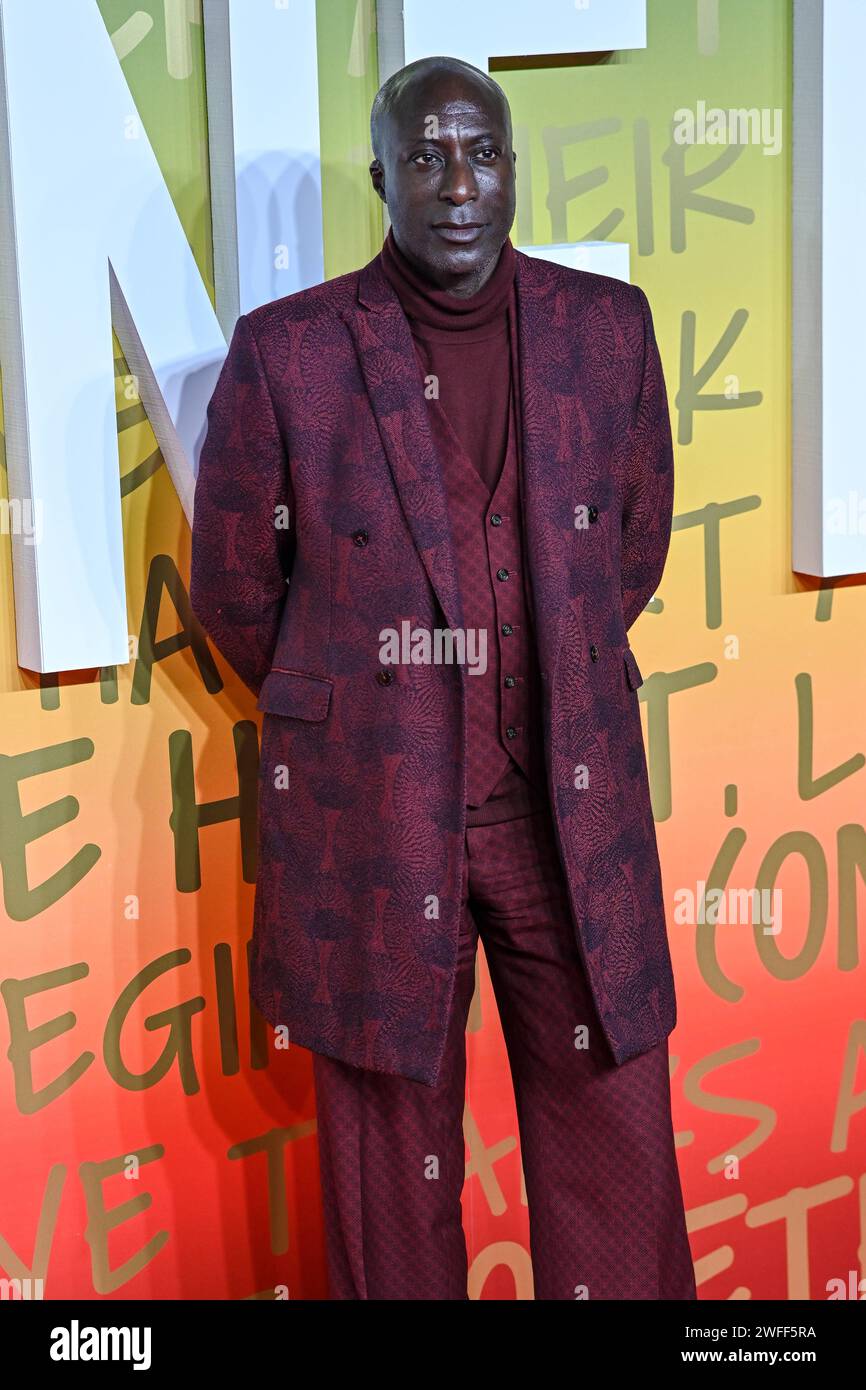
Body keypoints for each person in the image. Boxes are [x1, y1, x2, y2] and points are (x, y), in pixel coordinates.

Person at [190, 54, 696, 1301]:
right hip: (375, 821)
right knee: (389, 1185)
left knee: (615, 1150)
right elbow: (235, 592)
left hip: (563, 818)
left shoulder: (603, 328)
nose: (457, 184)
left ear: (513, 169)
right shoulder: (289, 354)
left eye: (480, 154)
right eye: (426, 157)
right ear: (383, 179)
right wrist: (371, 709)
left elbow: (629, 549)